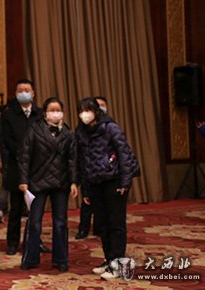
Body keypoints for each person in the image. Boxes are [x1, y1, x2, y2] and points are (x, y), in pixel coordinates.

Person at [76, 97, 139, 281]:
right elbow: (82, 162)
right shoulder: (80, 132)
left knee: (116, 223)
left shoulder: (110, 127)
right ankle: (109, 259)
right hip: (95, 183)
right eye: (82, 110)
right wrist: (85, 190)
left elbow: (124, 154)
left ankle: (119, 263)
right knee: (102, 224)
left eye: (88, 109)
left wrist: (125, 182)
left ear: (96, 111)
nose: (85, 114)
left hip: (114, 181)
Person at [18, 97, 78, 272]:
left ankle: (61, 259)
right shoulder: (34, 130)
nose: (55, 113)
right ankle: (30, 258)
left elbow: (72, 160)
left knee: (60, 223)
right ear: (45, 114)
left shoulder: (68, 133)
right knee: (34, 222)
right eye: (52, 110)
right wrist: (23, 180)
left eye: (58, 110)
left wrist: (74, 182)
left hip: (61, 183)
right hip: (37, 182)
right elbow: (24, 156)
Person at [0, 79, 49, 255]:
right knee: (15, 209)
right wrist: (24, 155)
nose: (23, 93)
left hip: (37, 169)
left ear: (33, 93)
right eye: (20, 90)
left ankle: (34, 241)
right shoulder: (8, 115)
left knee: (36, 209)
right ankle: (12, 242)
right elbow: (7, 140)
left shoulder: (40, 114)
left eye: (27, 90)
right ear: (16, 94)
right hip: (16, 167)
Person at [75, 95, 108, 239]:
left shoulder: (108, 126)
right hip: (87, 169)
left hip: (104, 169)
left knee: (103, 202)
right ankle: (83, 228)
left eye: (102, 105)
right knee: (87, 200)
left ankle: (100, 228)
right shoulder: (81, 129)